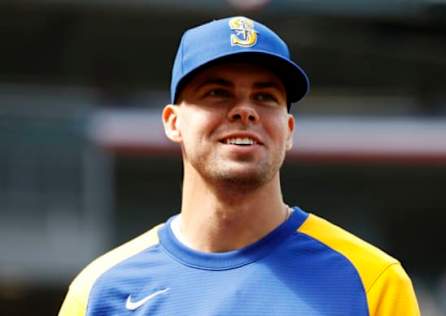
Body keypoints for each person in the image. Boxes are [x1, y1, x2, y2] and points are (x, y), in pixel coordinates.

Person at [59, 16, 420, 315]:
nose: (245, 110)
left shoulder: (371, 283)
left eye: (265, 97)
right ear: (173, 122)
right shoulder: (100, 293)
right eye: (217, 93)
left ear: (289, 129)